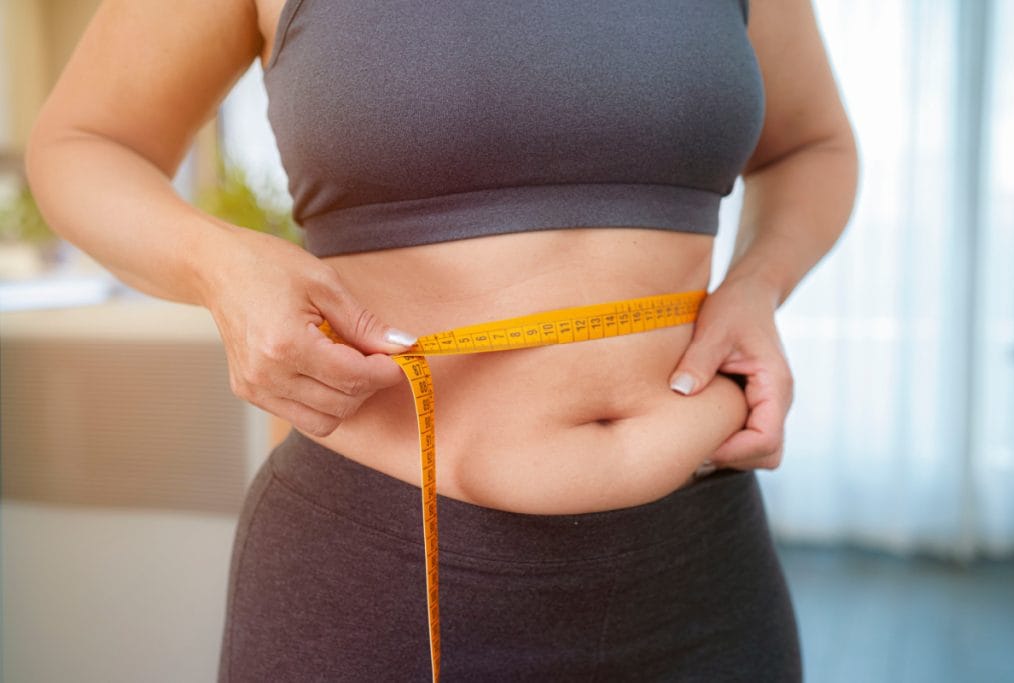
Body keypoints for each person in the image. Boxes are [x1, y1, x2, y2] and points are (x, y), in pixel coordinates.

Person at [26, 0, 858, 680]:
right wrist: (220, 265)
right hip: (383, 576)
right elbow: (82, 144)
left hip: (701, 575)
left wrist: (759, 281)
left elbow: (810, 145)